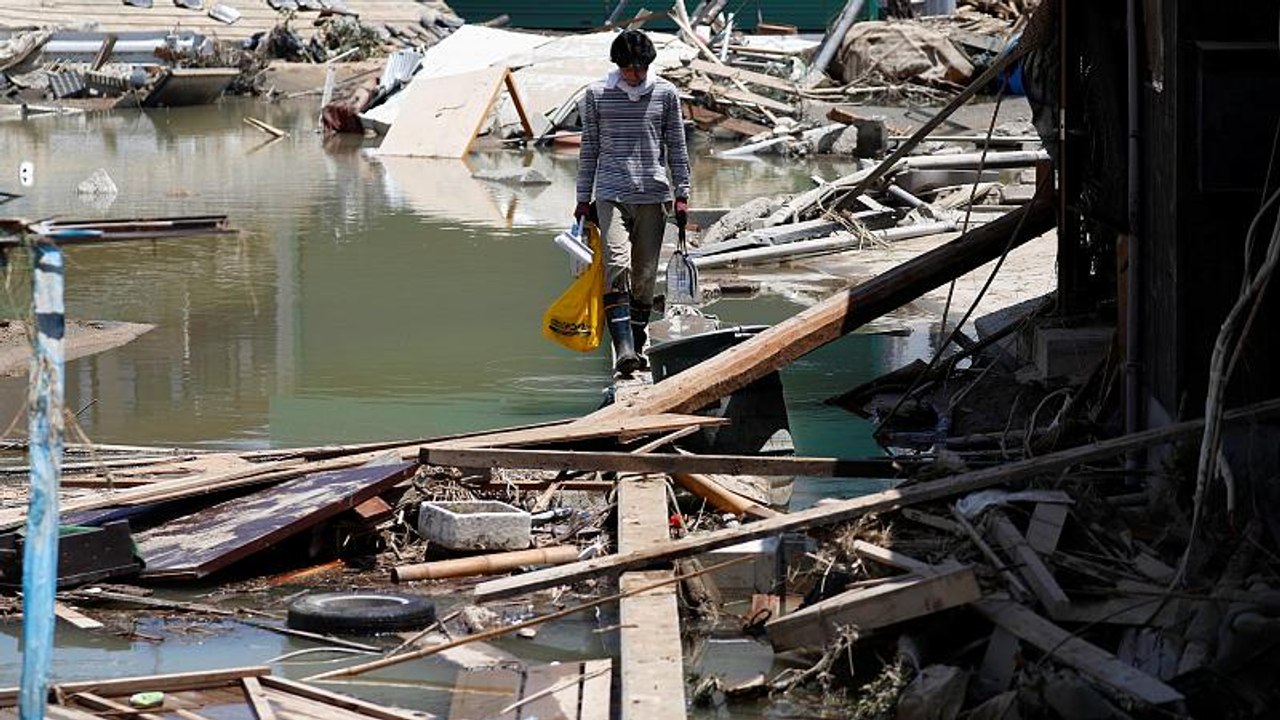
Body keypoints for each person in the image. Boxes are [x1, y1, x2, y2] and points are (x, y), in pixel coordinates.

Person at [575, 29, 691, 376]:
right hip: (611, 192)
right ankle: (623, 348)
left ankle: (636, 345)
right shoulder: (597, 95)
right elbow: (589, 149)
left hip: (653, 195)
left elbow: (677, 147)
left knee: (643, 277)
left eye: (639, 68)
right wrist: (583, 199)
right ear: (618, 66)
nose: (634, 75)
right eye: (627, 68)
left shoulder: (666, 94)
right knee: (616, 264)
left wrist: (682, 193)